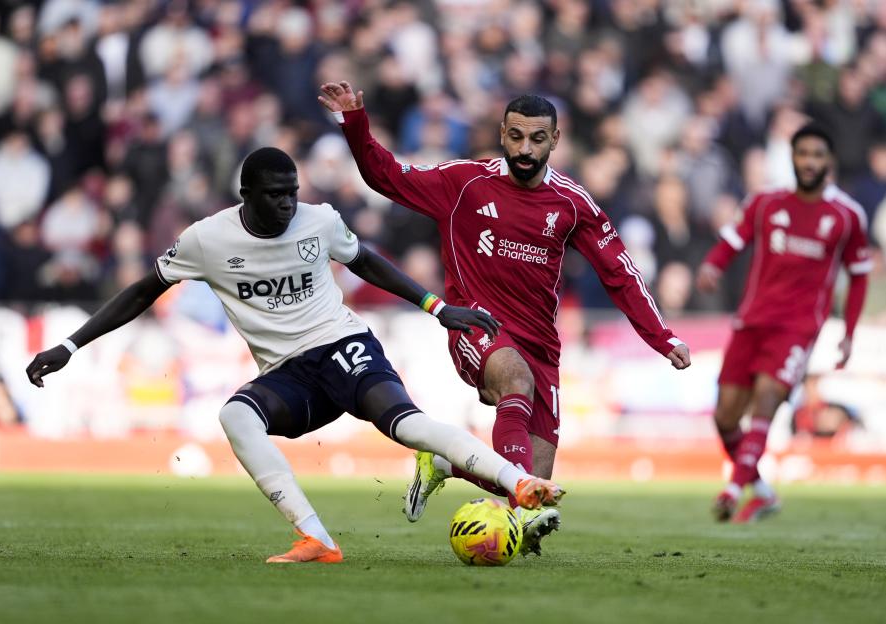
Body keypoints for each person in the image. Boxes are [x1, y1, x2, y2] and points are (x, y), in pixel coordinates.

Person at [26, 147, 565, 564]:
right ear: (247, 195)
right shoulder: (205, 240)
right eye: (276, 194)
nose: (288, 203)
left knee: (403, 420)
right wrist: (70, 345)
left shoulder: (319, 220)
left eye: (292, 192)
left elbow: (365, 262)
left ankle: (518, 482)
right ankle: (316, 538)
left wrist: (435, 306)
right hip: (288, 375)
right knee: (235, 415)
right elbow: (143, 291)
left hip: (342, 345)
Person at [319, 81, 691, 555]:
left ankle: (446, 465)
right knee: (514, 385)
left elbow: (619, 273)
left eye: (537, 139)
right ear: (502, 134)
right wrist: (355, 123)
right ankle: (512, 507)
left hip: (541, 343)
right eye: (516, 136)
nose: (525, 149)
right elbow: (385, 176)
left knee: (533, 476)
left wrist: (662, 337)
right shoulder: (464, 182)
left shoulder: (574, 205)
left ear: (555, 140)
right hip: (478, 325)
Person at [696, 123, 871, 523]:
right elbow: (732, 240)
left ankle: (733, 488)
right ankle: (762, 491)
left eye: (818, 155)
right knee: (724, 417)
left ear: (829, 162)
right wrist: (712, 265)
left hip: (798, 327)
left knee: (769, 395)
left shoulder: (846, 215)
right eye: (803, 154)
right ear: (792, 157)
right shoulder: (765, 203)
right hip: (752, 321)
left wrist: (849, 334)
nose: (810, 162)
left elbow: (859, 274)